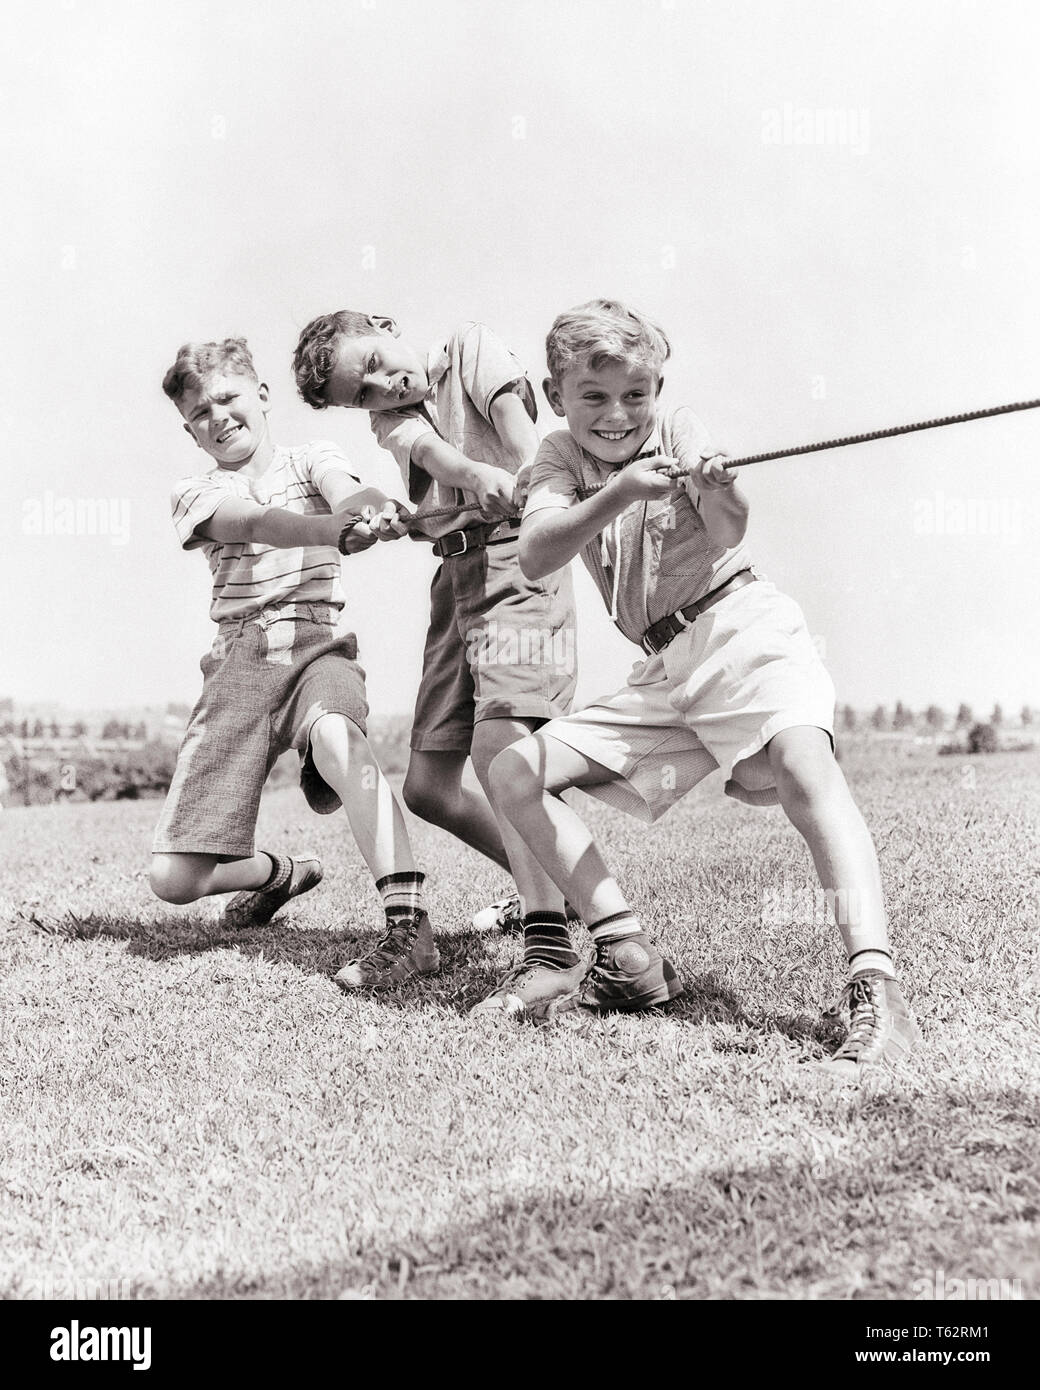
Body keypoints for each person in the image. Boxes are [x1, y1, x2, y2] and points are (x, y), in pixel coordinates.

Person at [484, 299, 920, 1075]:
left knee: (802, 768)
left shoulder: (679, 426)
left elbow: (728, 529)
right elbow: (540, 552)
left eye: (635, 394)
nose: (618, 415)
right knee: (516, 771)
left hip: (741, 628)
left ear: (657, 387)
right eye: (595, 397)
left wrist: (716, 484)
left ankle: (876, 987)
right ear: (557, 398)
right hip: (663, 671)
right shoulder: (553, 457)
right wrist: (620, 492)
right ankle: (626, 951)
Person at [292, 314, 581, 1006]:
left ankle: (551, 946)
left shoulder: (471, 351)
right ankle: (563, 888)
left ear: (387, 327)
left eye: (375, 361)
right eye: (361, 393)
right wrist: (448, 487)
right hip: (455, 580)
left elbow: (524, 439)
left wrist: (535, 485)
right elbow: (436, 459)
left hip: (519, 560)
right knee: (428, 786)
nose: (381, 386)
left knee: (501, 744)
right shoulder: (391, 420)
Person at [150, 337, 437, 992]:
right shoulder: (195, 491)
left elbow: (349, 491)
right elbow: (257, 521)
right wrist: (331, 530)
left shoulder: (314, 458)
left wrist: (369, 514)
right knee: (173, 881)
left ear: (261, 396)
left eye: (227, 398)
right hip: (238, 664)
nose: (217, 416)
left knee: (340, 739)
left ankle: (408, 924)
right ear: (190, 431)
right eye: (200, 413)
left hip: (314, 646)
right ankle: (279, 872)